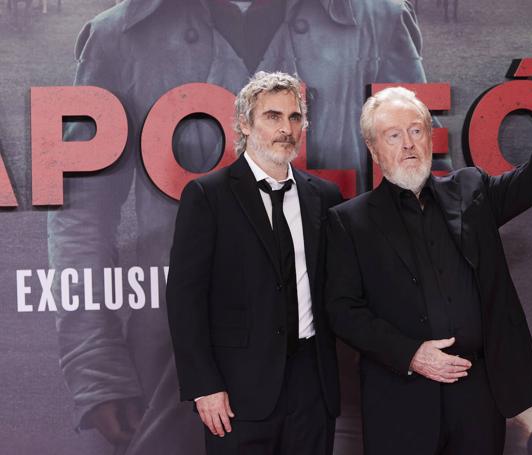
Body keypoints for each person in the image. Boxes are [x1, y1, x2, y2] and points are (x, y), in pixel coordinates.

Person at [47, 1, 425, 453]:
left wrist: (411, 348)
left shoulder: (379, 20)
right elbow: (81, 213)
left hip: (342, 369)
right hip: (177, 376)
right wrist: (97, 363)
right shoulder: (116, 34)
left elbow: (418, 197)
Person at [325, 21, 532, 455]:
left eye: (416, 130)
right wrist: (411, 354)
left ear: (430, 136)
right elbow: (343, 311)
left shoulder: (471, 190)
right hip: (400, 399)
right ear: (374, 150)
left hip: (478, 395)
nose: (408, 143)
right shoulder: (349, 222)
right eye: (393, 135)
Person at [166, 71, 342, 454]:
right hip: (236, 392)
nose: (287, 128)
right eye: (273, 116)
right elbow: (185, 300)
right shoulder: (207, 196)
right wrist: (204, 386)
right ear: (245, 123)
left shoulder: (324, 196)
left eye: (295, 117)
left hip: (312, 387)